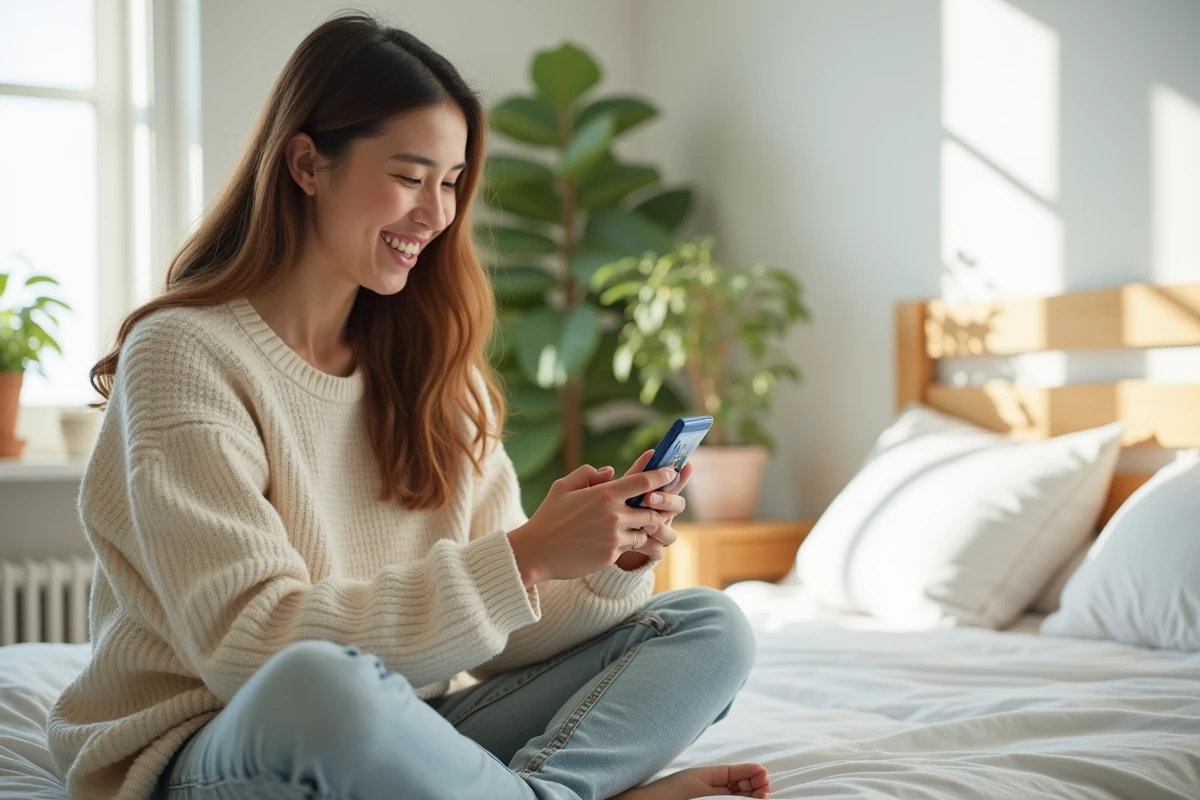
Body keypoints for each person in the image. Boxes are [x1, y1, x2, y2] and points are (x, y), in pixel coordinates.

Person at [47, 13, 769, 800]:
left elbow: (501, 640)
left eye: (451, 182)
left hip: (408, 728)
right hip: (222, 741)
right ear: (307, 164)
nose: (437, 213)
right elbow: (251, 651)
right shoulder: (186, 354)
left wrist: (605, 565)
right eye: (410, 176)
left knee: (707, 625)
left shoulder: (436, 372)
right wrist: (524, 555)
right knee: (322, 683)